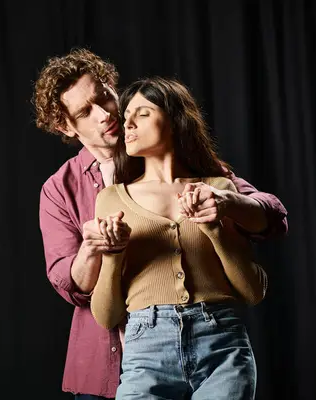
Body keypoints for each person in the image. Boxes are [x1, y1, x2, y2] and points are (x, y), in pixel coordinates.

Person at [33, 48, 288, 399]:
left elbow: (271, 215)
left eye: (104, 97)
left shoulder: (177, 159)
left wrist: (227, 203)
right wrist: (95, 249)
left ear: (112, 86)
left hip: (213, 342)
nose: (105, 114)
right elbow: (70, 285)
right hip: (106, 363)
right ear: (65, 126)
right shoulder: (60, 190)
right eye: (84, 112)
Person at [91, 77, 270, 399]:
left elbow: (253, 291)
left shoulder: (218, 188)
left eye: (142, 113)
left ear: (175, 119)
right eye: (126, 114)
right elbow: (106, 316)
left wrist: (214, 230)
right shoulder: (111, 199)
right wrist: (113, 254)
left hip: (222, 345)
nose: (127, 123)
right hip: (146, 348)